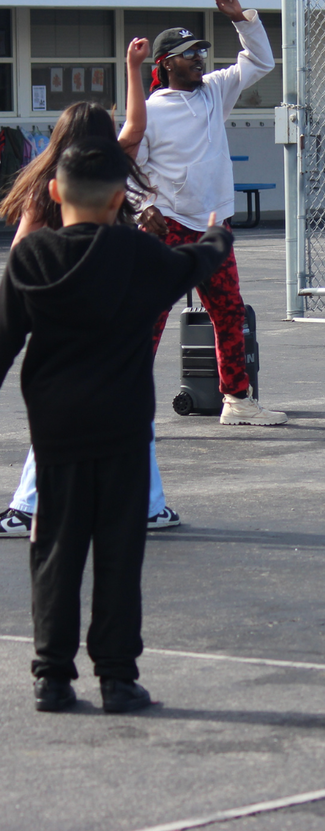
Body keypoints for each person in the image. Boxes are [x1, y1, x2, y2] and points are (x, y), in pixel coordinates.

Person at [0, 137, 233, 712]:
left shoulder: (29, 260)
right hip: (124, 432)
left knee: (55, 550)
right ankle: (117, 677)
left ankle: (52, 677)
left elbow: (3, 344)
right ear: (117, 203)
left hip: (56, 436)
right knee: (118, 554)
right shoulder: (138, 256)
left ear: (54, 193)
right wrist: (216, 237)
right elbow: (194, 263)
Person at [0, 41, 181, 538]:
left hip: (62, 313)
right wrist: (134, 68)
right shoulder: (110, 170)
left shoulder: (48, 183)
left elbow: (20, 255)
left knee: (60, 411)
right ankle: (145, 504)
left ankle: (28, 507)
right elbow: (137, 127)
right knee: (130, 405)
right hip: (114, 311)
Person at [138, 0, 286, 427]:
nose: (199, 58)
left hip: (213, 227)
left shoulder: (214, 92)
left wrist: (241, 19)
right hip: (168, 229)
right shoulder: (148, 112)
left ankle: (237, 400)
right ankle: (126, 406)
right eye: (187, 53)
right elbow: (128, 170)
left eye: (200, 50)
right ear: (165, 65)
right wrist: (142, 207)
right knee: (149, 320)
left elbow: (261, 62)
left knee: (229, 311)